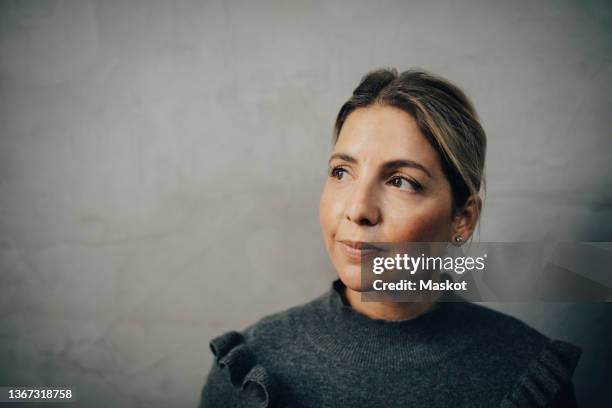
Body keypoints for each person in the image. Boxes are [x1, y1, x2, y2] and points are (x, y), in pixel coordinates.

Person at [198, 68, 582, 407]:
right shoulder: (251, 370)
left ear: (462, 218)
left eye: (402, 181)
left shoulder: (526, 375)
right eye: (341, 172)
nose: (358, 209)